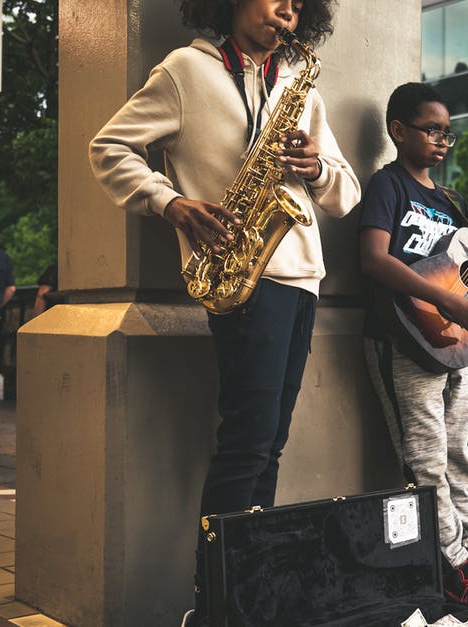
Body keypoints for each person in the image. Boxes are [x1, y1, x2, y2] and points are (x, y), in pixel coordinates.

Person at [86, 2, 360, 625]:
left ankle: (248, 593)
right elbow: (109, 149)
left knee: (270, 445)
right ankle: (213, 603)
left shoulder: (300, 79)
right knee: (246, 445)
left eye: (298, 2)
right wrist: (171, 203)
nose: (287, 10)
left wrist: (316, 168)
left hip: (301, 280)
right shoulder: (187, 70)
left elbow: (347, 193)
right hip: (242, 278)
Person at [359, 82, 468, 615]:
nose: (441, 140)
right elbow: (373, 261)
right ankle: (452, 572)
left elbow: (467, 273)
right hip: (402, 341)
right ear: (399, 131)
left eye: (447, 133)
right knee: (427, 463)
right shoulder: (387, 186)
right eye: (432, 129)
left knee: (460, 456)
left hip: (453, 345)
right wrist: (446, 302)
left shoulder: (450, 201)